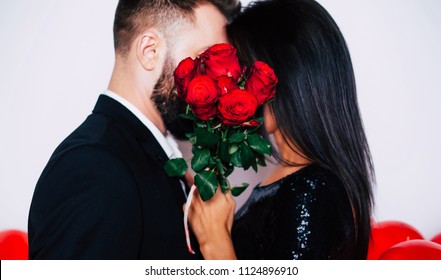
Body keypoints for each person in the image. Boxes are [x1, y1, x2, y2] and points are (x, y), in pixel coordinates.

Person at [28, 0, 240, 259]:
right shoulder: (94, 167)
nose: (218, 82)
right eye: (204, 59)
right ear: (150, 51)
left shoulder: (154, 158)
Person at [187, 0, 375, 259]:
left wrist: (215, 242)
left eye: (241, 71)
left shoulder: (312, 190)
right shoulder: (292, 182)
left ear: (285, 78)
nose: (230, 88)